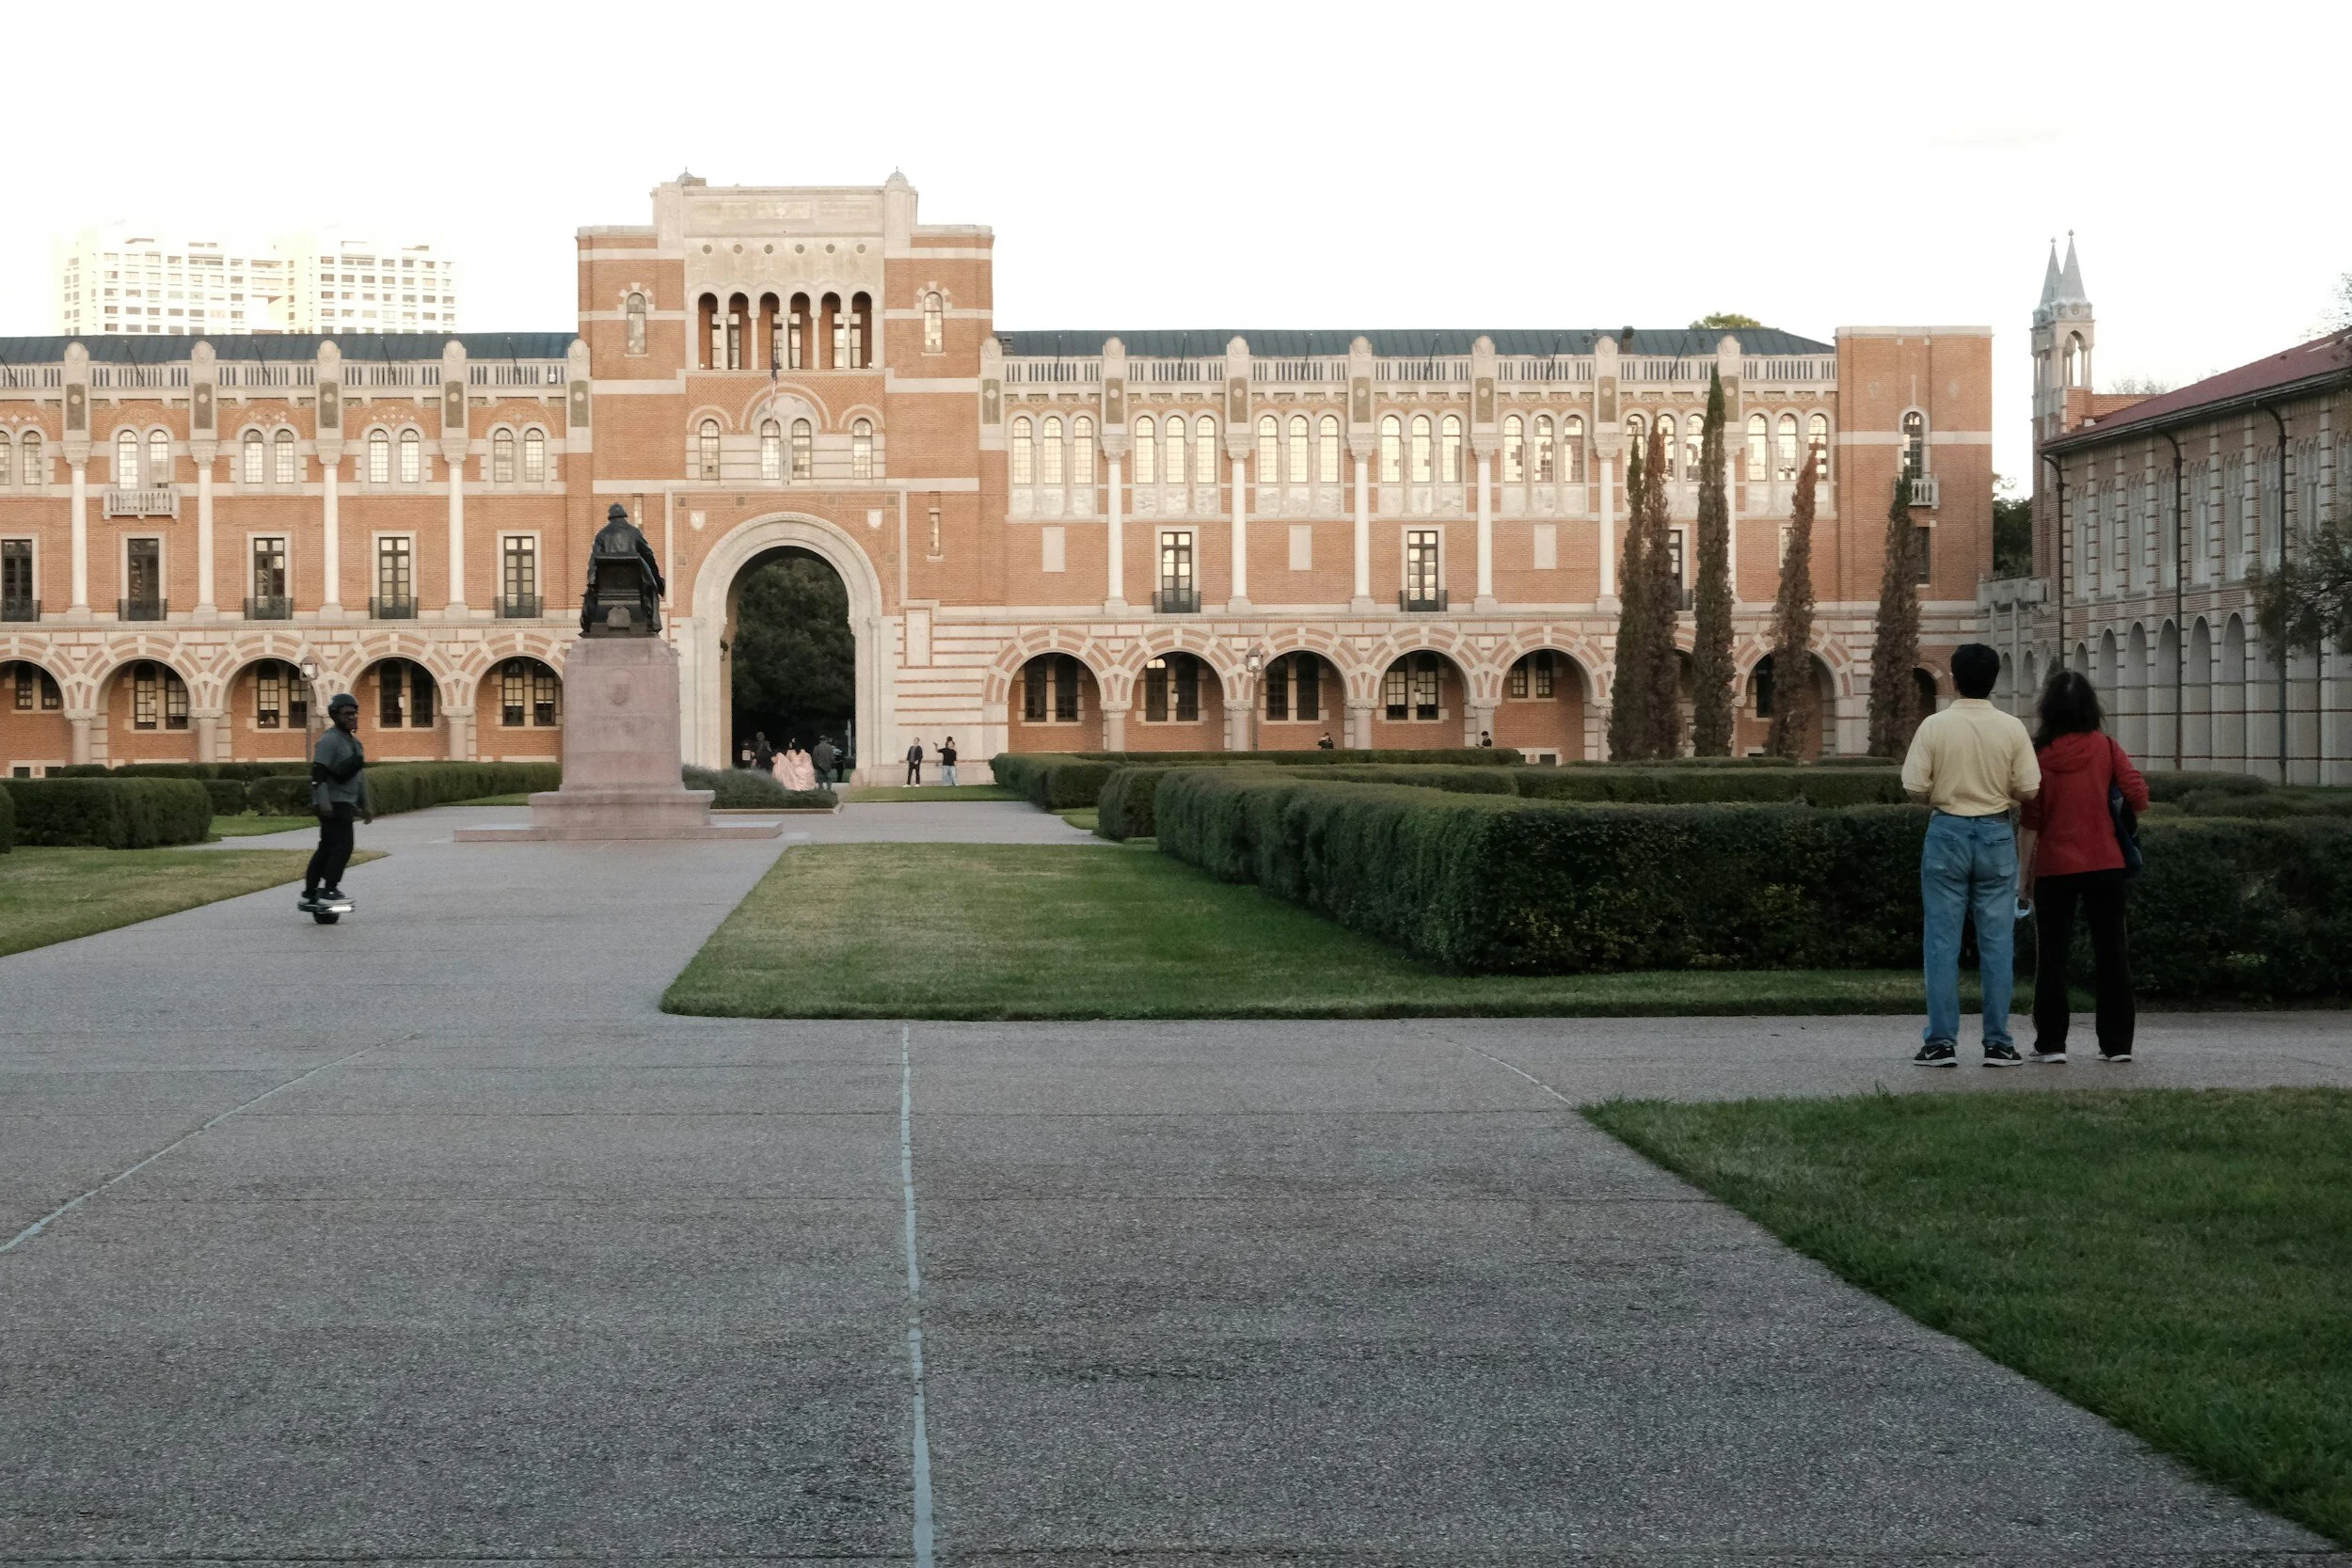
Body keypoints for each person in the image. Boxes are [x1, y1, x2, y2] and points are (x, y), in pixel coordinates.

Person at [1900, 642, 2040, 1068]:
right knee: (1997, 945)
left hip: (1947, 830)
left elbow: (1913, 786)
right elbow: (2031, 789)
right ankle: (1998, 1042)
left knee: (1941, 943)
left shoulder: (1935, 726)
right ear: (1993, 681)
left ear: (1955, 681)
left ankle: (1941, 1041)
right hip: (1997, 831)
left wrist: (1942, 795)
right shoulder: (2012, 728)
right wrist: (2002, 794)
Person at [2018, 671, 2149, 1063]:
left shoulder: (2038, 755)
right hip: (2106, 862)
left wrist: (2023, 878)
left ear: (2048, 710)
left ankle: (2052, 1043)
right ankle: (2116, 1044)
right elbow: (2138, 796)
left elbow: (2030, 820)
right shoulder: (2107, 749)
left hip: (2055, 868)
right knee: (2112, 953)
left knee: (2053, 956)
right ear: (2091, 707)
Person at [302, 693, 373, 913]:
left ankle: (311, 891)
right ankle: (329, 889)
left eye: (354, 713)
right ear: (335, 716)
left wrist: (366, 805)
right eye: (347, 714)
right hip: (333, 802)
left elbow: (359, 778)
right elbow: (318, 774)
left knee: (327, 848)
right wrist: (324, 803)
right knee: (343, 846)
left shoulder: (354, 742)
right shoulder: (329, 740)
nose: (352, 717)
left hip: (346, 802)